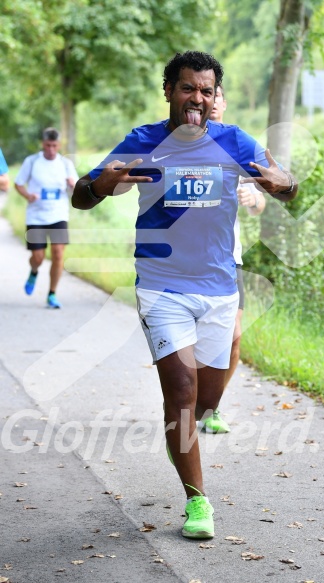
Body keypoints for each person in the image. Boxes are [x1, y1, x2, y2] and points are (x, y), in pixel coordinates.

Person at [72, 51, 297, 540]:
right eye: (188, 87)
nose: (197, 98)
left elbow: (283, 185)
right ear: (170, 90)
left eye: (206, 90)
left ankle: (185, 434)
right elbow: (83, 194)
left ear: (215, 96)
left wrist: (286, 184)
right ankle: (198, 502)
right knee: (181, 391)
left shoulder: (234, 141)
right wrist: (97, 185)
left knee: (207, 399)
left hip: (218, 287)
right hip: (161, 285)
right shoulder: (143, 141)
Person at [198, 84, 266, 434]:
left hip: (229, 259)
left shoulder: (237, 145)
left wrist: (250, 199)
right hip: (187, 261)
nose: (209, 102)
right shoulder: (187, 144)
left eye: (216, 95)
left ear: (222, 103)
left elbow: (259, 205)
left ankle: (212, 408)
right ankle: (185, 398)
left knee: (234, 336)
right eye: (204, 96)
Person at [15, 128, 79, 308]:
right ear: (43, 144)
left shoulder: (66, 164)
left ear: (59, 145)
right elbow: (18, 184)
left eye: (54, 146)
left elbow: (75, 188)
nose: (51, 149)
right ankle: (34, 271)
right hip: (36, 216)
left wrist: (72, 185)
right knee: (38, 257)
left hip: (58, 214)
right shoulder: (32, 161)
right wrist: (28, 196)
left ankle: (52, 294)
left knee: (58, 254)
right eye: (48, 145)